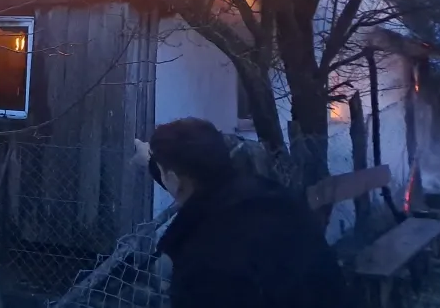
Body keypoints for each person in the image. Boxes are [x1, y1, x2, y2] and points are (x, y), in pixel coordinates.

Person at [147, 118, 348, 308]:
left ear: (173, 178)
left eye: (162, 171)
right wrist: (151, 160)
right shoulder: (273, 201)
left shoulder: (203, 259)